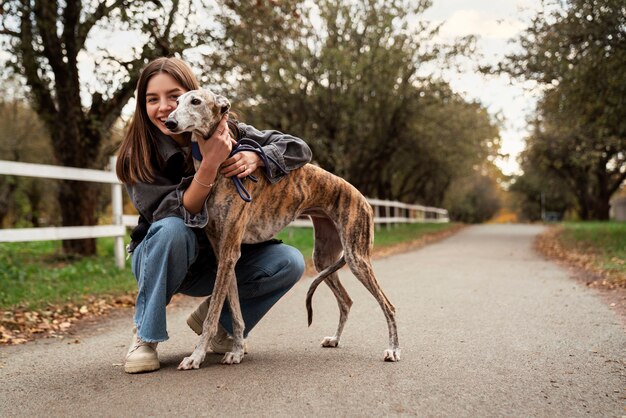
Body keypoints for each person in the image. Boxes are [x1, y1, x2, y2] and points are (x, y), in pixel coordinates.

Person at [115, 57, 311, 374]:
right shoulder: (138, 155)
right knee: (172, 230)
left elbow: (299, 149)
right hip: (162, 258)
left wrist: (256, 156)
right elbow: (176, 213)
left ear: (194, 96)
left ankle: (219, 327)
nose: (165, 107)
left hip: (215, 260)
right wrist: (209, 165)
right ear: (142, 105)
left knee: (288, 261)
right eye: (153, 99)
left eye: (174, 95)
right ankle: (145, 336)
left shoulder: (232, 130)